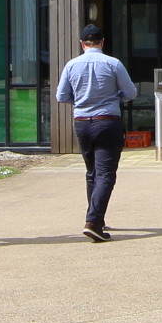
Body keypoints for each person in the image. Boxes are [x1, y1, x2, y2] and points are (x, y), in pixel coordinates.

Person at [53, 22, 137, 242]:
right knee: (106, 173)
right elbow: (130, 92)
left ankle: (96, 218)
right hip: (107, 120)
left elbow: (61, 96)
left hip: (82, 121)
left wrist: (80, 101)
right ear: (102, 42)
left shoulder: (71, 65)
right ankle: (93, 221)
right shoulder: (113, 63)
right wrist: (115, 97)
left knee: (92, 172)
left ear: (82, 44)